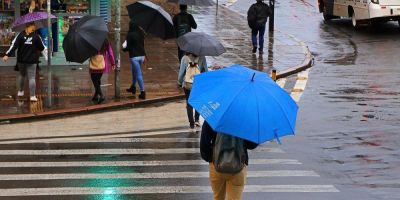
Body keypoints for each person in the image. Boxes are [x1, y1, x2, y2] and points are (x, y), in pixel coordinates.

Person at [200, 121, 258, 200]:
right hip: (238, 166)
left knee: (218, 197)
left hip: (216, 165)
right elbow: (252, 145)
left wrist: (211, 159)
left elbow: (204, 147)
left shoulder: (214, 117)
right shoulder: (245, 120)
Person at [2, 22, 45, 102]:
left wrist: (7, 55)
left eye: (34, 27)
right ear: (28, 27)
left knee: (22, 75)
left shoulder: (20, 35)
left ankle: (21, 92)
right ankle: (32, 96)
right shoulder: (36, 36)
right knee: (31, 77)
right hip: (31, 61)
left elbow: (13, 45)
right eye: (33, 27)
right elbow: (42, 48)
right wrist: (7, 55)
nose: (34, 28)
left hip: (22, 60)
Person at [178, 53, 208, 129]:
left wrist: (180, 82)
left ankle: (191, 123)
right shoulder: (202, 57)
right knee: (197, 101)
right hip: (198, 84)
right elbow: (206, 71)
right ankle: (197, 120)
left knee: (189, 103)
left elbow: (181, 73)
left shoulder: (184, 58)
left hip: (187, 84)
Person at [124, 21, 146, 99]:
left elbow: (128, 47)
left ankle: (143, 92)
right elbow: (143, 45)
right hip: (142, 56)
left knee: (138, 74)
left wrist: (124, 48)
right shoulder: (141, 33)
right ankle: (133, 87)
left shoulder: (130, 35)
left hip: (134, 57)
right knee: (134, 71)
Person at [89, 39, 115, 104]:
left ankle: (101, 95)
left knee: (94, 80)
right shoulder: (105, 41)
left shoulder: (92, 41)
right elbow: (110, 52)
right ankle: (96, 95)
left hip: (94, 63)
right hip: (102, 64)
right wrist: (113, 63)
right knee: (97, 80)